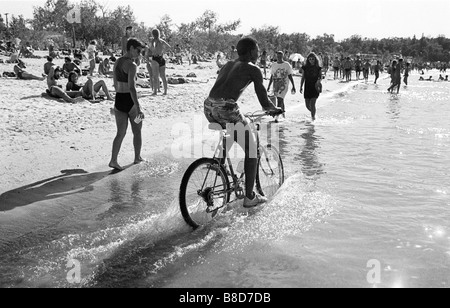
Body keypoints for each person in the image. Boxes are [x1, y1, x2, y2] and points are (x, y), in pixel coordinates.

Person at [203, 36, 282, 208]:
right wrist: (273, 109)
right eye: (257, 49)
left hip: (209, 106)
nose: (259, 52)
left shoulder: (228, 64)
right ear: (252, 51)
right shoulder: (253, 69)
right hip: (226, 107)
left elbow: (223, 88)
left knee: (234, 125)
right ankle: (249, 197)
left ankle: (219, 163)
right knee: (251, 150)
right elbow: (264, 102)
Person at [109, 38, 146, 171]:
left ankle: (113, 160)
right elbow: (132, 87)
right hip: (130, 102)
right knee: (137, 129)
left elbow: (115, 81)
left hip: (119, 99)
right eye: (138, 50)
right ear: (131, 48)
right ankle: (137, 157)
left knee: (120, 133)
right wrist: (138, 106)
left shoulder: (117, 62)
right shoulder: (132, 65)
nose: (140, 53)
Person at [266, 51, 296, 122]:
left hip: (284, 85)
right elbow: (272, 76)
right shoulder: (274, 65)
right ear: (276, 56)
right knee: (280, 100)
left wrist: (293, 86)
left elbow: (290, 76)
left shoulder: (287, 65)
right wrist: (269, 86)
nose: (279, 57)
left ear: (282, 56)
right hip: (276, 85)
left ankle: (277, 117)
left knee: (280, 99)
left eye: (280, 56)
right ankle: (283, 115)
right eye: (278, 56)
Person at [300, 52, 322, 121]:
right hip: (307, 86)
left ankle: (313, 118)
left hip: (315, 87)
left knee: (313, 104)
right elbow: (303, 77)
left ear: (315, 59)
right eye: (310, 59)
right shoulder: (305, 68)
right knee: (307, 105)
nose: (311, 60)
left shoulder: (318, 68)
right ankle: (314, 113)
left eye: (313, 59)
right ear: (308, 60)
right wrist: (301, 86)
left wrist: (319, 81)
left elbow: (320, 76)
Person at [149, 29, 171, 95]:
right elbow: (168, 47)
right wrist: (162, 51)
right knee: (163, 76)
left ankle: (155, 91)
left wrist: (154, 51)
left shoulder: (153, 41)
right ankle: (165, 91)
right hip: (161, 58)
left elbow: (152, 48)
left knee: (155, 76)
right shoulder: (162, 41)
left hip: (155, 58)